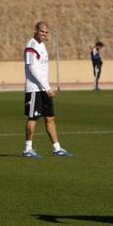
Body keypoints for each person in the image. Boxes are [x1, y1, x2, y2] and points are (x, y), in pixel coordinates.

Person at [23, 21, 72, 158]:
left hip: (44, 89)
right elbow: (32, 68)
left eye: (46, 32)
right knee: (33, 118)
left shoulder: (42, 46)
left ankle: (57, 148)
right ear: (35, 30)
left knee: (50, 118)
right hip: (34, 89)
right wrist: (47, 87)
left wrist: (46, 87)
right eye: (42, 31)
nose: (44, 34)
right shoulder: (31, 45)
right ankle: (27, 149)